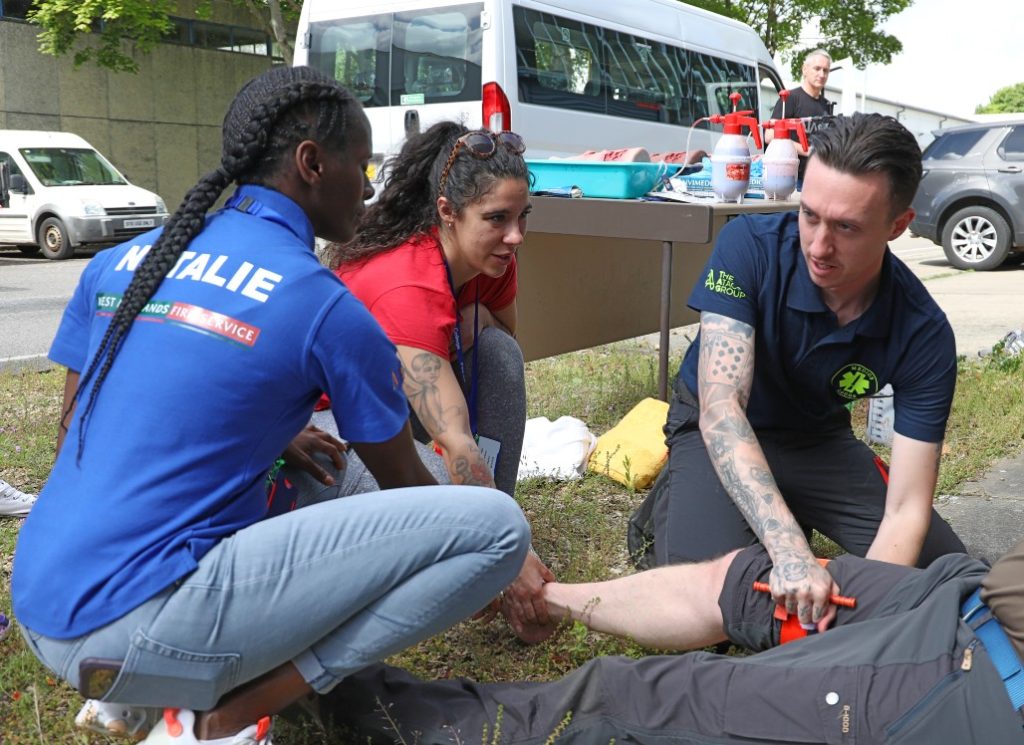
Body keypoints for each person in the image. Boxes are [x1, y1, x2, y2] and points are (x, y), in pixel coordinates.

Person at [11, 66, 530, 745]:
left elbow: (78, 431)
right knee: (496, 528)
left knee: (331, 472)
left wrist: (281, 436)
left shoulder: (124, 261)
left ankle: (141, 691)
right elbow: (415, 495)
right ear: (312, 164)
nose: (370, 186)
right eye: (361, 164)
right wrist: (511, 569)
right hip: (134, 627)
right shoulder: (321, 303)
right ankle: (245, 699)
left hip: (43, 598)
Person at [646, 112, 966, 623]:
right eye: (810, 214)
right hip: (719, 429)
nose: (818, 246)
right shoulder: (748, 246)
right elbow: (722, 408)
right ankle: (674, 508)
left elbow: (906, 508)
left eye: (846, 227)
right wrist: (791, 551)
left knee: (947, 578)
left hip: (816, 441)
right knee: (717, 603)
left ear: (898, 226)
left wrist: (874, 612)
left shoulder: (922, 331)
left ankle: (779, 511)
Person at [324, 538, 1024, 744]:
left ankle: (330, 690)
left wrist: (839, 661)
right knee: (751, 577)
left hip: (981, 668)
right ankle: (548, 602)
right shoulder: (759, 255)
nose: (821, 242)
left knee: (629, 695)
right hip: (965, 590)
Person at [311, 121, 555, 640]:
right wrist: (518, 557)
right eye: (496, 219)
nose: (515, 236)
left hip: (394, 408)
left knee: (499, 355)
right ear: (447, 212)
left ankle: (486, 543)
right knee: (447, 482)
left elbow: (500, 341)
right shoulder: (406, 281)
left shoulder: (493, 254)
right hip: (324, 429)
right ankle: (488, 552)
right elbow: (455, 440)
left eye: (521, 217)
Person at [766, 48, 834, 182]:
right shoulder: (789, 98)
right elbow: (770, 135)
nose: (821, 74)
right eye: (817, 68)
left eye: (825, 70)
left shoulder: (827, 105)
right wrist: (808, 151)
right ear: (805, 70)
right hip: (789, 178)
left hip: (817, 180)